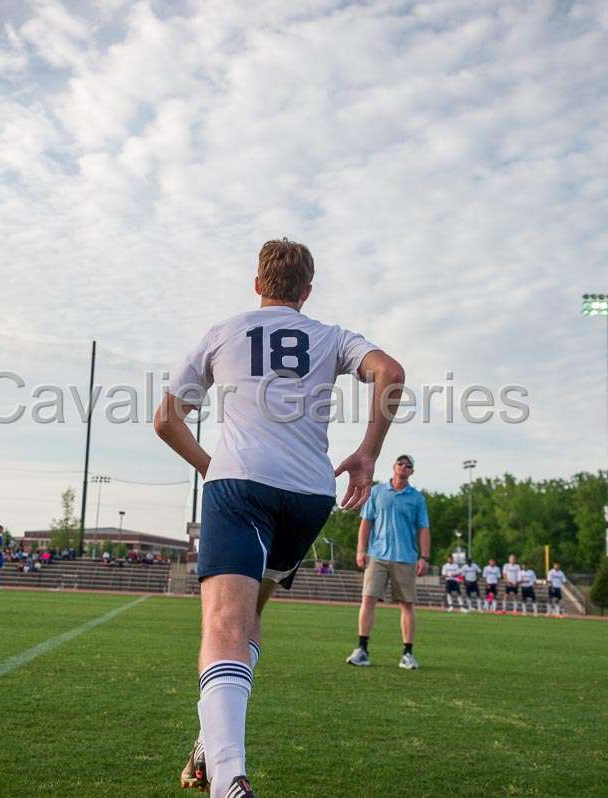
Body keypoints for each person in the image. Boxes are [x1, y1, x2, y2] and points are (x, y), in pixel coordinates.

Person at [154, 238, 403, 798]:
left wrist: (210, 467)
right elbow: (391, 372)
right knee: (250, 615)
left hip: (240, 485)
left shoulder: (225, 330)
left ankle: (228, 780)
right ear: (306, 291)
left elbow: (166, 420)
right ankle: (212, 738)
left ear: (257, 283)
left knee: (223, 623)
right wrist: (367, 453)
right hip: (309, 495)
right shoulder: (334, 337)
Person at [346, 454, 430, 669]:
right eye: (400, 463)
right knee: (368, 599)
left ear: (412, 471)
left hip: (406, 557)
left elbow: (423, 529)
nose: (403, 467)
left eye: (408, 465)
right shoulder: (377, 492)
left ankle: (407, 653)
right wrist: (361, 550)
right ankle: (362, 649)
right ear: (393, 467)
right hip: (377, 555)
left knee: (407, 604)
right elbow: (366, 523)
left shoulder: (417, 498)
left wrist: (424, 557)